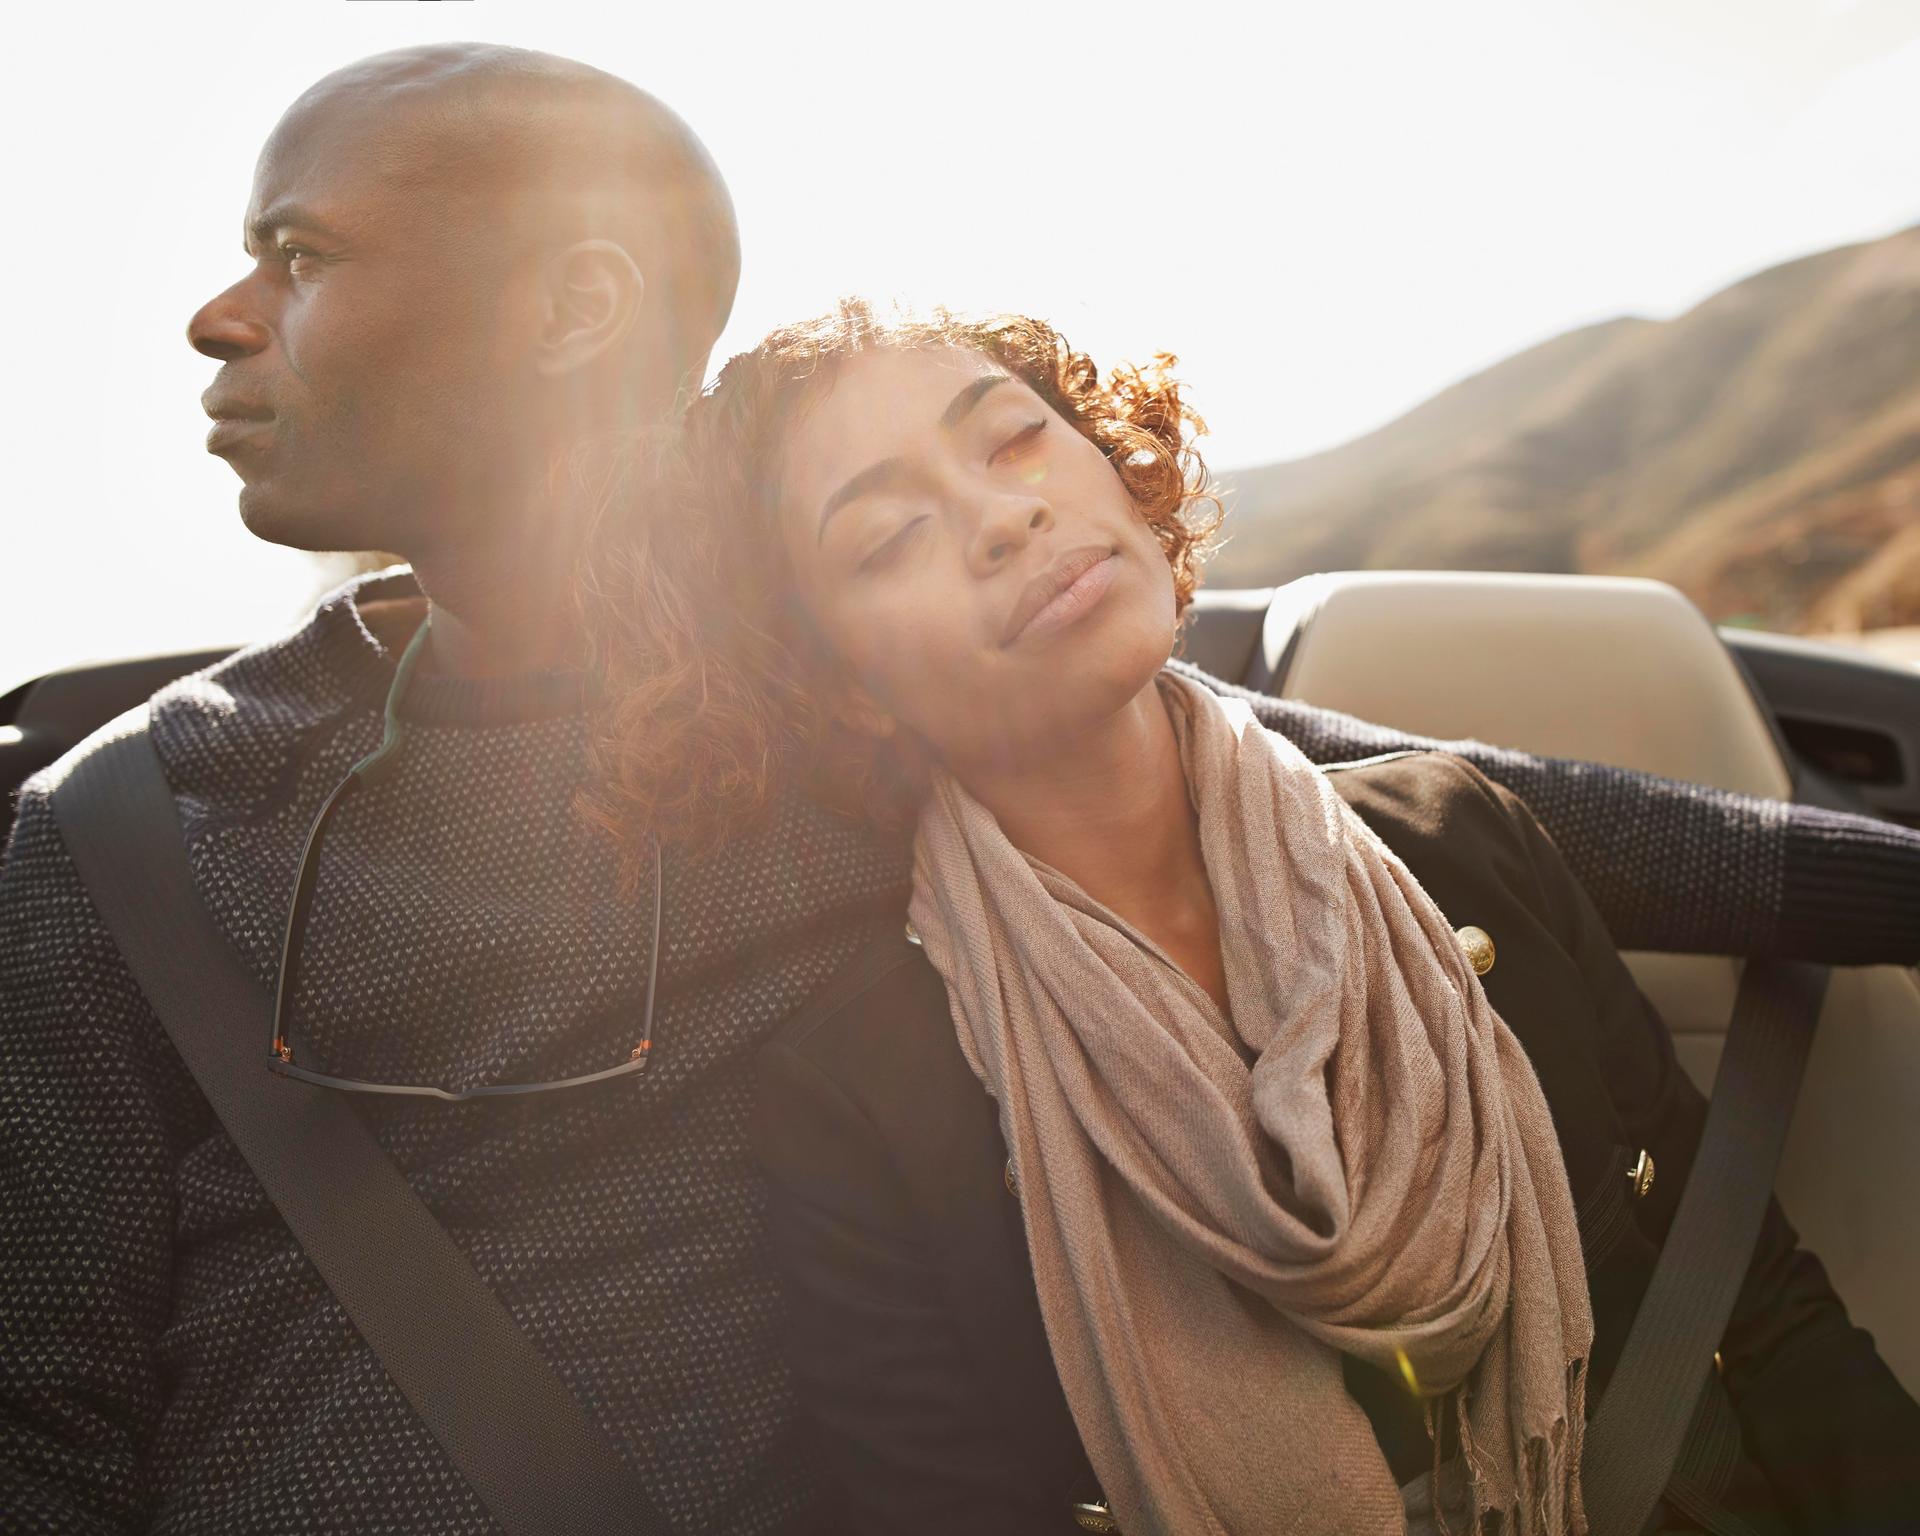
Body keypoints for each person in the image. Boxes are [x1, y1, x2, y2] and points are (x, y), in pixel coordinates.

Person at [1, 48, 1916, 1536]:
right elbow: (45, 1424)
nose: (220, 317)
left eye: (299, 254)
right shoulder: (128, 839)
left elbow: (1396, 802)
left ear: (576, 307)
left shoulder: (844, 724)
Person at [593, 302, 1920, 1535]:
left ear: (1118, 469)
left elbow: (1764, 1315)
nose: (1002, 516)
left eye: (1013, 438)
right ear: (843, 693)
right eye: (885, 537)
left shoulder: (1456, 835)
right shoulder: (855, 1089)